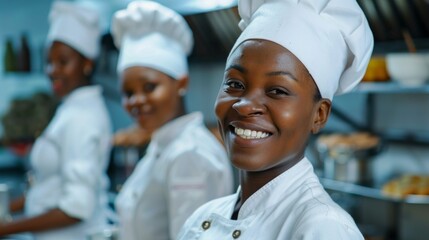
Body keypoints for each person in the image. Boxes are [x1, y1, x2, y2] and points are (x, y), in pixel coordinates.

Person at [177, 0, 374, 239]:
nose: (245, 105)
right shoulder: (201, 219)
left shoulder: (324, 229)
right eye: (235, 84)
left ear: (319, 114)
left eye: (277, 91)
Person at [110, 1, 234, 239]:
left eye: (149, 87)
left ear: (182, 83)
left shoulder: (189, 155)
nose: (137, 100)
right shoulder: (163, 145)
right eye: (128, 92)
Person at [0, 1, 112, 239]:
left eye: (63, 61)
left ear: (87, 63)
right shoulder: (70, 109)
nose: (52, 70)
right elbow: (48, 187)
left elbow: (77, 208)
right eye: (49, 62)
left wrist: (6, 228)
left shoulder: (83, 117)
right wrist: (8, 208)